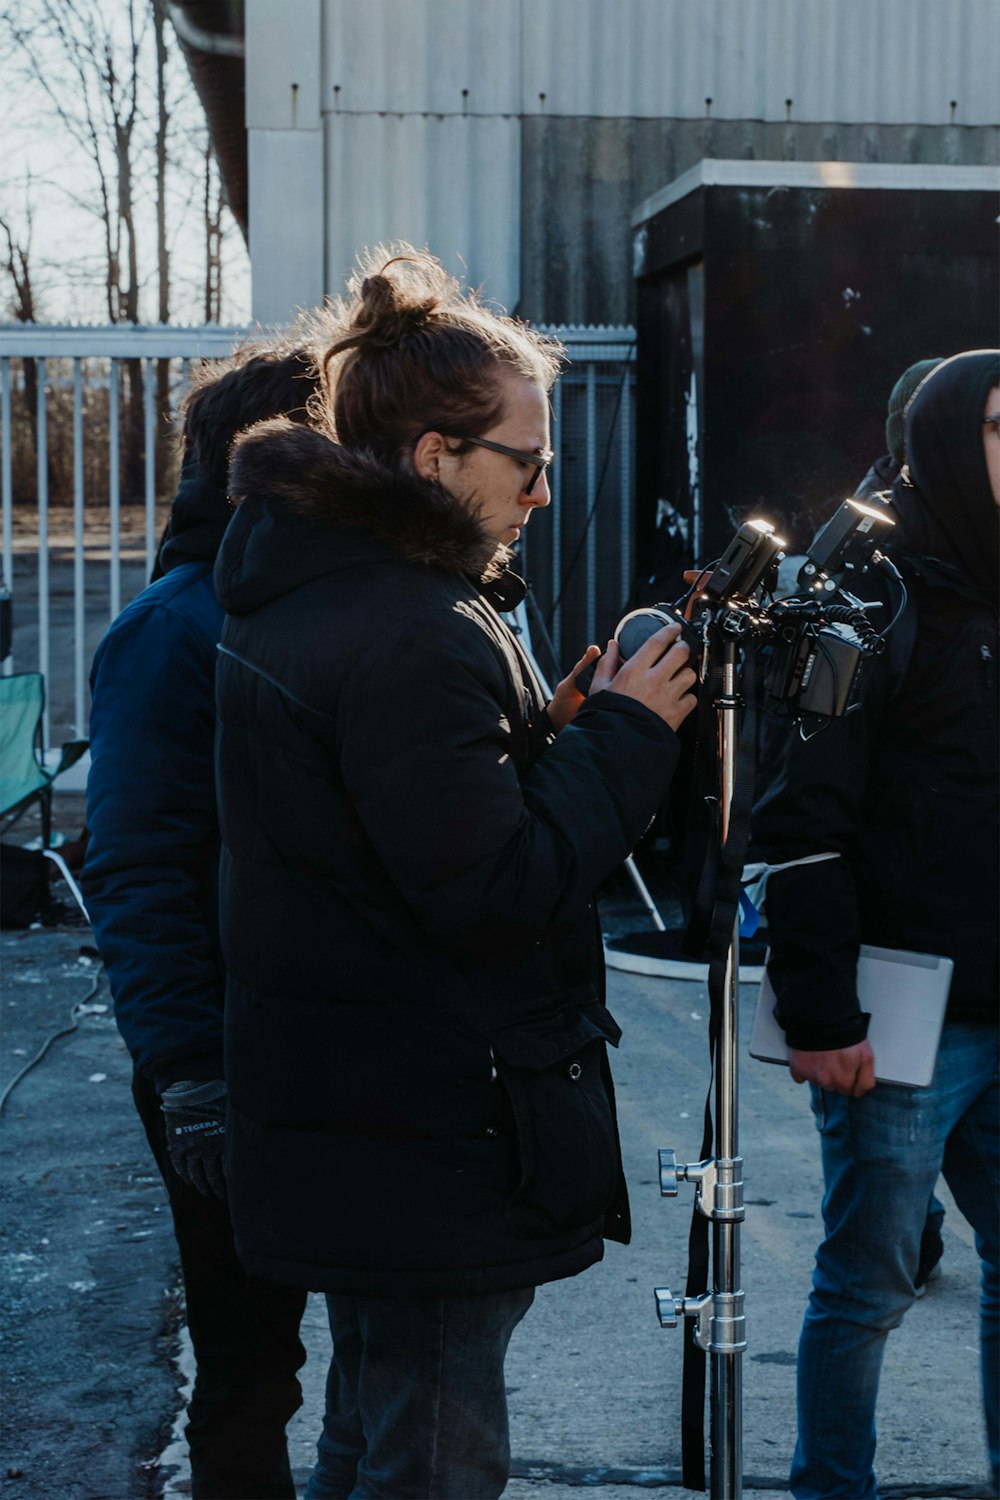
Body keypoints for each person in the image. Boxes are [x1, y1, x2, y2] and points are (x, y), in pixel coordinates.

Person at [213, 245, 698, 1500]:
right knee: (428, 1456)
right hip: (430, 1120)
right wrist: (631, 740)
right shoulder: (410, 627)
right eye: (528, 462)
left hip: (370, 1110)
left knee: (370, 1427)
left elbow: (394, 832)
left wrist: (552, 733)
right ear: (434, 458)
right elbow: (489, 892)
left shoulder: (334, 594)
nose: (543, 491)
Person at [751, 349, 999, 1499]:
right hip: (899, 1017)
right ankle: (829, 1490)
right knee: (867, 1281)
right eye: (999, 429)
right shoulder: (872, 598)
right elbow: (800, 818)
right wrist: (817, 1009)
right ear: (949, 443)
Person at [84, 334, 324, 1499]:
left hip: (337, 1040)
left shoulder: (340, 610)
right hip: (223, 1056)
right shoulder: (171, 629)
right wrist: (188, 1072)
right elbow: (136, 863)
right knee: (250, 1370)